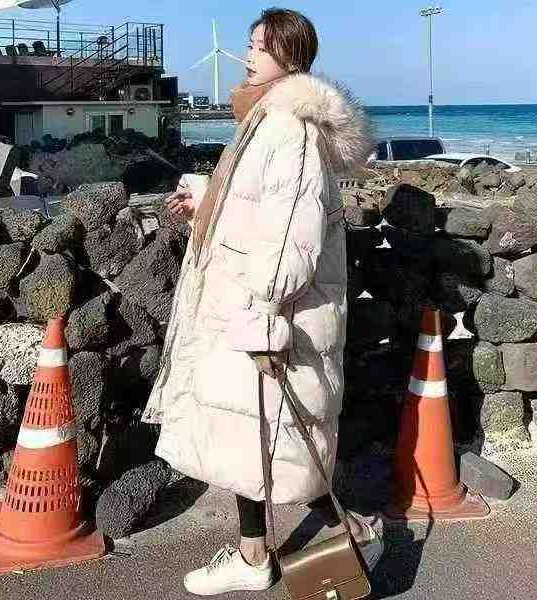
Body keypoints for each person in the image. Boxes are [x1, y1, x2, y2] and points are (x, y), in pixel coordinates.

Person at [142, 7, 381, 596]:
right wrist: (207, 200)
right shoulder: (266, 119)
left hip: (263, 312)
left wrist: (262, 319)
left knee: (268, 437)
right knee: (257, 438)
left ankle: (289, 548)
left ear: (289, 56)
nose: (247, 55)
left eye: (260, 46)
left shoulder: (287, 128)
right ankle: (290, 542)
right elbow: (259, 207)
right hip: (251, 307)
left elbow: (291, 236)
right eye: (249, 44)